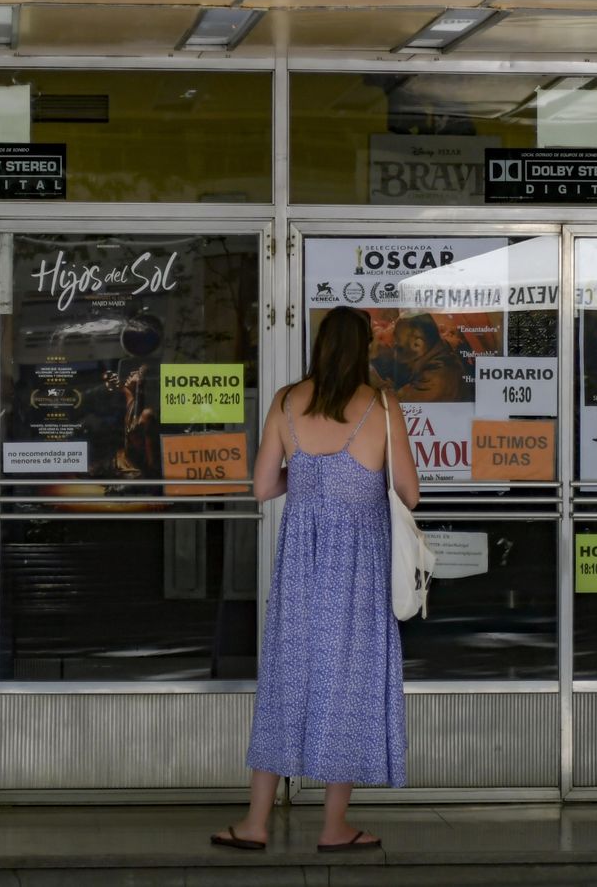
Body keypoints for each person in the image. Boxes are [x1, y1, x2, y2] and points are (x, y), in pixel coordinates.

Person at [211, 306, 419, 854]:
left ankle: (254, 823)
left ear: (319, 345)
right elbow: (409, 492)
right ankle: (334, 827)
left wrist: (305, 482)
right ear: (364, 350)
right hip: (359, 570)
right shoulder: (381, 405)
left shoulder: (284, 401)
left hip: (301, 567)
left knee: (286, 682)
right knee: (348, 685)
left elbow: (261, 487)